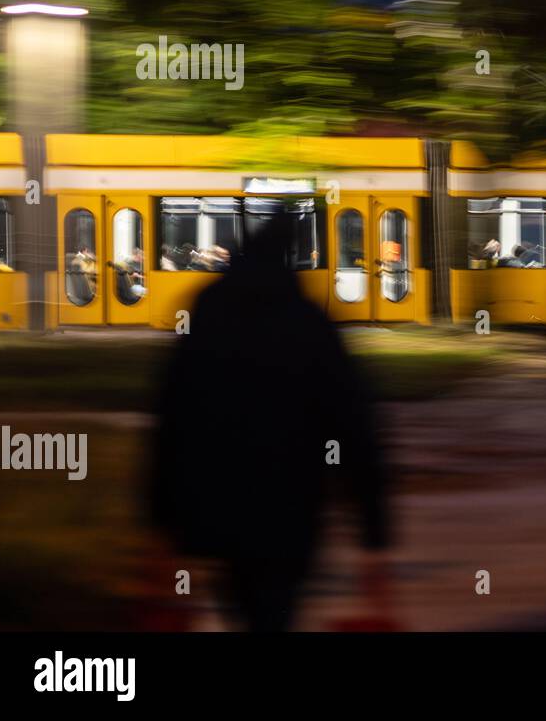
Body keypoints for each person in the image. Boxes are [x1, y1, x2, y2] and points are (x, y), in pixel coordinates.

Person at [148, 213, 391, 631]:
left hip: (218, 507)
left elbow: (173, 416)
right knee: (276, 612)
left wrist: (159, 517)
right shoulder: (309, 321)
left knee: (240, 607)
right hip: (290, 510)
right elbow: (352, 424)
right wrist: (372, 528)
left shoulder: (207, 311)